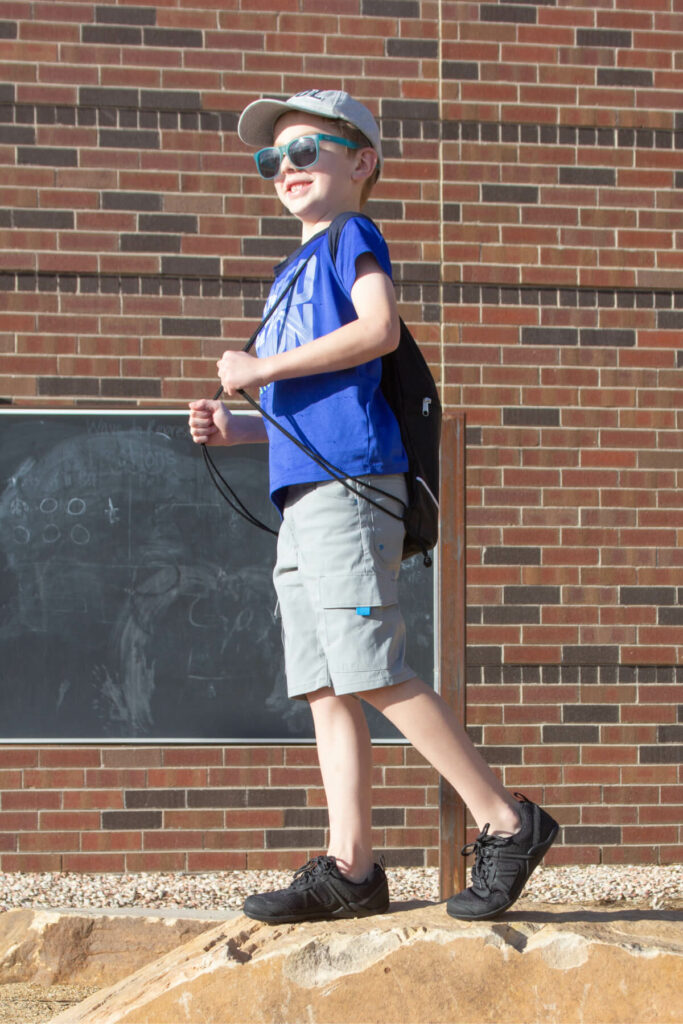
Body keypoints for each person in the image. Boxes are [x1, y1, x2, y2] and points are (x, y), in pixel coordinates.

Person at [188, 88, 559, 924]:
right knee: (323, 684)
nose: (285, 169)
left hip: (351, 487)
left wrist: (257, 370)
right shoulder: (289, 272)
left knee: (368, 664)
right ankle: (351, 868)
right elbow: (306, 406)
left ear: (360, 163)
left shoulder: (350, 236)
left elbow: (378, 331)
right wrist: (238, 426)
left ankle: (506, 820)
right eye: (270, 159)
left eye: (305, 151)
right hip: (305, 493)